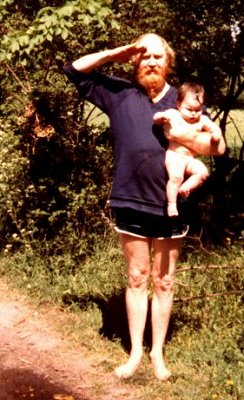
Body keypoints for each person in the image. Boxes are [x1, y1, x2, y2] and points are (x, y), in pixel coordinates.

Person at [63, 33, 225, 381]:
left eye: (157, 56)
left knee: (164, 281)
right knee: (137, 277)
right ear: (135, 61)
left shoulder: (184, 99)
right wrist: (118, 51)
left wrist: (178, 134)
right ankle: (135, 352)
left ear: (168, 62)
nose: (151, 61)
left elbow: (210, 147)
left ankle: (157, 355)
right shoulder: (119, 93)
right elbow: (74, 70)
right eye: (143, 56)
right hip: (130, 199)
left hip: (172, 204)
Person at [153, 82, 222, 217]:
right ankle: (171, 204)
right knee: (176, 177)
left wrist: (216, 135)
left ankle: (186, 188)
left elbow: (215, 128)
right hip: (175, 156)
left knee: (203, 172)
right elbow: (155, 118)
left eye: (197, 109)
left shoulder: (202, 120)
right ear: (179, 105)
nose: (193, 113)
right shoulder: (173, 114)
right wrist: (161, 117)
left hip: (190, 158)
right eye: (189, 109)